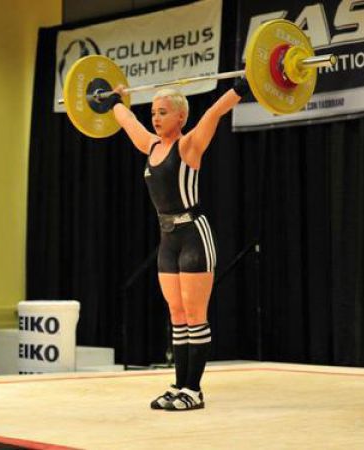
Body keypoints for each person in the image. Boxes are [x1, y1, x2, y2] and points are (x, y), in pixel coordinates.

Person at [110, 78, 250, 410]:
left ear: (180, 118)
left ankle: (194, 390)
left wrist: (243, 84)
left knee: (195, 314)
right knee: (176, 314)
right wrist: (115, 100)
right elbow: (126, 120)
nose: (155, 118)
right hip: (168, 240)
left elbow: (215, 111)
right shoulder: (150, 146)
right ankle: (178, 385)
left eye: (162, 112)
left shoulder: (189, 146)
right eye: (153, 112)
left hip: (194, 237)